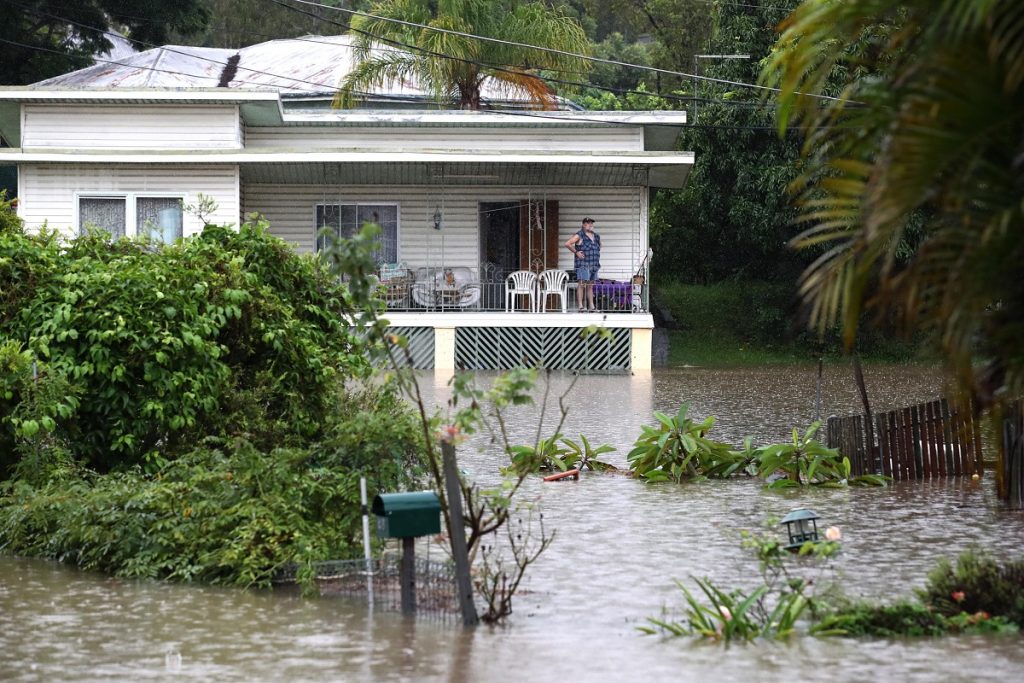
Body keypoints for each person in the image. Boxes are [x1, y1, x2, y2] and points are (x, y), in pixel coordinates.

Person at [565, 217, 601, 312]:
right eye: (588, 223)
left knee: (590, 285)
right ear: (583, 224)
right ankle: (581, 306)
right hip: (583, 264)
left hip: (594, 264)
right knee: (581, 284)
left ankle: (592, 307)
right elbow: (568, 244)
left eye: (591, 223)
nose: (590, 225)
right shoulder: (579, 235)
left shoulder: (596, 236)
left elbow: (600, 246)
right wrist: (576, 252)